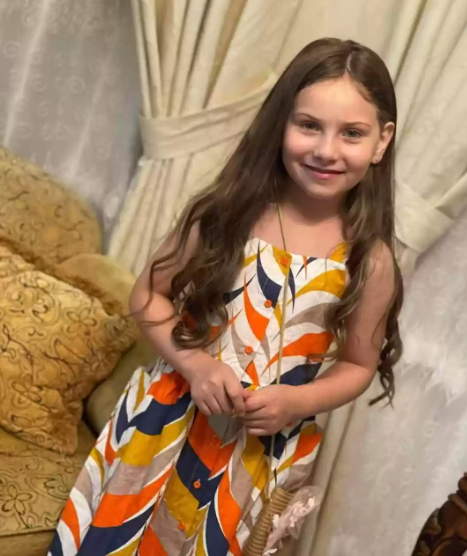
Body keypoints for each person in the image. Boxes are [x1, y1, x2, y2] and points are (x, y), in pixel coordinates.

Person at [50, 37, 403, 555]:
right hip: (160, 433)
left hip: (255, 461)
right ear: (281, 123)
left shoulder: (370, 263)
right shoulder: (226, 215)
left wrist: (297, 401)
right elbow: (147, 295)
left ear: (380, 141)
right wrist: (194, 364)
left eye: (351, 133)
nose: (326, 150)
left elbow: (357, 364)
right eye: (309, 125)